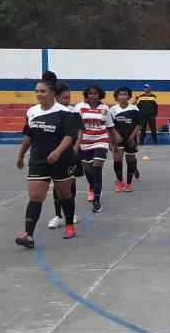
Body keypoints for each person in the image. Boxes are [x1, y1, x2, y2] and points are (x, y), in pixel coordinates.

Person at [15, 72, 80, 248]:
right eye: (37, 91)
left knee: (64, 194)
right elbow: (29, 135)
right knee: (35, 196)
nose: (39, 94)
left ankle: (69, 225)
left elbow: (69, 136)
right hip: (38, 160)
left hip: (62, 160)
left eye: (42, 91)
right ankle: (28, 235)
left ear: (52, 92)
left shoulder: (65, 112)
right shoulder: (32, 112)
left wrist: (58, 152)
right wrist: (21, 154)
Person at [48, 79, 84, 229]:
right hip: (54, 153)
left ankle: (71, 214)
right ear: (56, 98)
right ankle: (58, 216)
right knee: (56, 185)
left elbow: (79, 131)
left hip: (70, 153)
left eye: (69, 97)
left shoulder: (73, 112)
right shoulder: (50, 112)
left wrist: (76, 147)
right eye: (64, 98)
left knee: (70, 183)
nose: (67, 100)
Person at [76, 85, 116, 213]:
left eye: (95, 93)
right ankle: (92, 187)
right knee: (88, 169)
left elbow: (110, 127)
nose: (93, 96)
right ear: (86, 95)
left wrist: (113, 143)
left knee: (97, 168)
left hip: (101, 141)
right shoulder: (79, 107)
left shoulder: (105, 108)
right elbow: (75, 126)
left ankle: (97, 201)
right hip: (84, 142)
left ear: (100, 95)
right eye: (90, 93)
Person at [110, 87, 142, 192]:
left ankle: (129, 183)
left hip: (130, 138)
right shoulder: (113, 110)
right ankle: (120, 182)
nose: (123, 96)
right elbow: (110, 126)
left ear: (129, 96)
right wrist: (115, 136)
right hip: (118, 139)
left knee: (130, 159)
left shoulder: (134, 109)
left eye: (125, 94)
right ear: (117, 97)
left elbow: (138, 125)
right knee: (117, 159)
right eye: (120, 94)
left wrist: (133, 137)